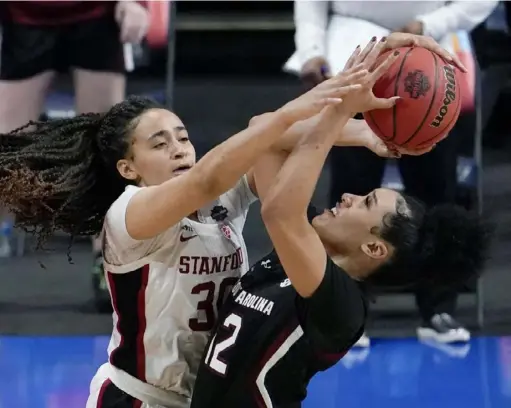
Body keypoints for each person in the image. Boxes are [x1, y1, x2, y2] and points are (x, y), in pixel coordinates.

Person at [0, 65, 367, 408]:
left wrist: (370, 134)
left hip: (204, 396)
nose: (178, 149)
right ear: (128, 168)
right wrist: (297, 110)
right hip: (139, 397)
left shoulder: (220, 198)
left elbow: (272, 136)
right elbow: (209, 174)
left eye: (183, 138)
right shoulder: (128, 213)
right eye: (159, 145)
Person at [190, 37, 490, 408]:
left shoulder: (342, 305)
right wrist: (366, 132)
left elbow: (280, 212)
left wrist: (338, 113)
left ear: (375, 247)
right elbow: (266, 133)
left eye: (366, 202)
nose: (348, 196)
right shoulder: (306, 249)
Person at [285, 0, 498, 346]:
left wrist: (429, 24)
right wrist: (310, 49)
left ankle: (439, 309)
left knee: (437, 195)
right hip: (353, 49)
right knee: (350, 197)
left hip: (430, 62)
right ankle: (345, 312)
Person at [0, 1, 149, 271]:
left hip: (97, 14)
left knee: (104, 145)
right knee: (7, 149)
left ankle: (110, 265)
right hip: (24, 14)